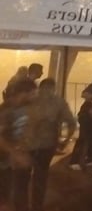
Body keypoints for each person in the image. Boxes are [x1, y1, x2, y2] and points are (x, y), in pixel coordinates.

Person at [16, 79, 76, 211]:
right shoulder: (59, 102)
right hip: (47, 146)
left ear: (40, 87)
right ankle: (37, 206)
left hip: (25, 145)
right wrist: (64, 141)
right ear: (53, 88)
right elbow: (71, 123)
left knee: (22, 178)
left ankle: (22, 206)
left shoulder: (27, 100)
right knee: (40, 177)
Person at [0, 80, 36, 211]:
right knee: (4, 200)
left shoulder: (25, 109)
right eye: (32, 93)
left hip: (14, 163)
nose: (35, 96)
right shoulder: (6, 110)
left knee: (18, 195)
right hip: (3, 162)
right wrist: (14, 153)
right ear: (23, 93)